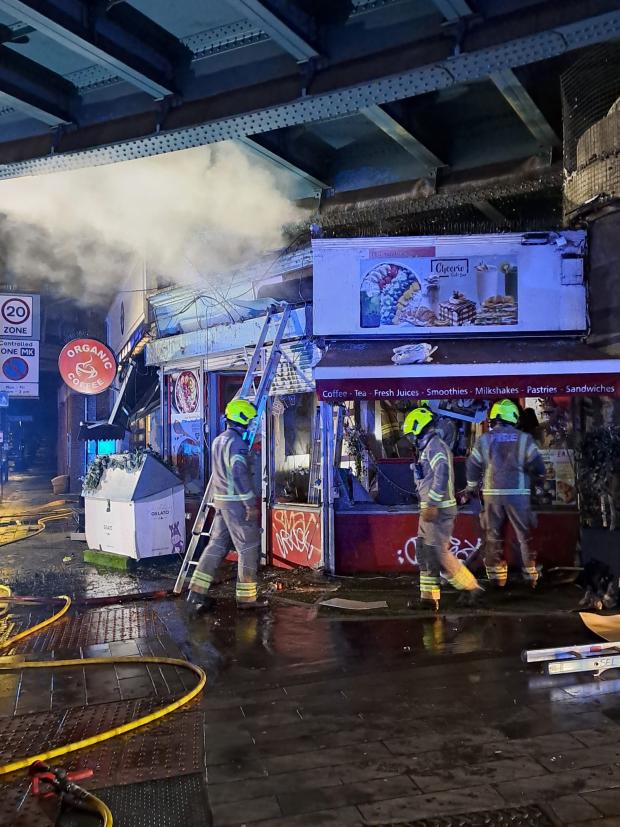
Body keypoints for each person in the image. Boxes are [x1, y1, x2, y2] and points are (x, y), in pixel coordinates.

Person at [187, 398, 267, 613]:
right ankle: (247, 600)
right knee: (248, 548)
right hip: (237, 505)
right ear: (242, 418)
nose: (252, 424)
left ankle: (196, 592)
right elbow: (239, 476)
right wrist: (250, 504)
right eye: (250, 420)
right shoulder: (238, 444)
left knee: (216, 546)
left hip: (221, 502)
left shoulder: (218, 440)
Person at [404, 406, 484, 610]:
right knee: (425, 552)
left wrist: (431, 503)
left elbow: (442, 475)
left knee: (437, 553)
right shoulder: (429, 447)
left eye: (411, 434)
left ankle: (471, 587)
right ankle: (428, 598)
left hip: (438, 510)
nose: (411, 439)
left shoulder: (435, 447)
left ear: (419, 429)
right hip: (430, 509)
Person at [465, 399, 545, 589]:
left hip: (492, 494)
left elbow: (473, 465)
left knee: (493, 536)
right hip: (518, 494)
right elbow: (538, 465)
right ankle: (530, 577)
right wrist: (539, 479)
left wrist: (471, 487)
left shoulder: (484, 439)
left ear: (493, 418)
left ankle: (497, 579)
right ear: (514, 417)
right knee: (523, 536)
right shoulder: (524, 439)